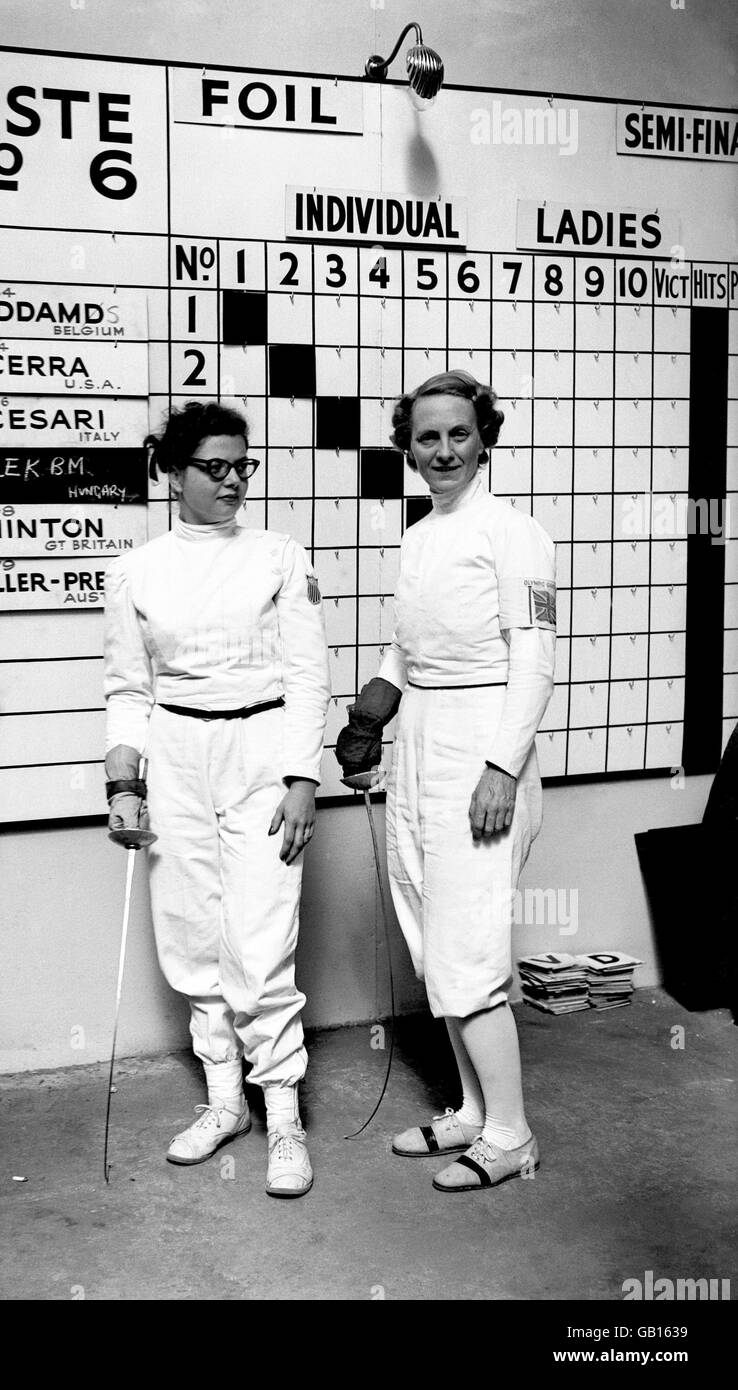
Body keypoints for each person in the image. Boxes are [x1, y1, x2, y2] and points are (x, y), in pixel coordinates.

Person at [103, 401, 330, 1198]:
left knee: (261, 944)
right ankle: (227, 1101)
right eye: (216, 467)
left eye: (244, 465)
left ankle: (285, 1118)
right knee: (194, 939)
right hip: (175, 755)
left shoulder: (278, 555)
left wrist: (303, 778)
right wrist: (124, 786)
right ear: (172, 473)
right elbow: (128, 689)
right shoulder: (137, 570)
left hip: (263, 752)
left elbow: (308, 676)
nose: (235, 480)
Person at [336, 370, 556, 1192]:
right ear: (408, 446)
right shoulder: (421, 534)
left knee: (468, 953)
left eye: (458, 433)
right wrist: (368, 719)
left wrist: (502, 767)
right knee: (432, 936)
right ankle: (471, 1111)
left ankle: (513, 1135)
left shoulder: (513, 532)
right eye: (427, 436)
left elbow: (534, 663)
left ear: (484, 437)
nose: (443, 450)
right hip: (422, 743)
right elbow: (404, 652)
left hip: (483, 747)